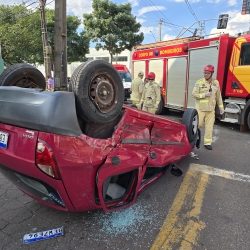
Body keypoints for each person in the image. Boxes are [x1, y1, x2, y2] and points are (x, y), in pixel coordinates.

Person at [192, 65, 224, 150]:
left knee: (209, 127)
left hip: (211, 110)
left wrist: (221, 107)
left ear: (212, 73)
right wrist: (204, 95)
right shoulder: (199, 82)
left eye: (208, 73)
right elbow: (194, 94)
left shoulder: (216, 83)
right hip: (201, 109)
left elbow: (218, 96)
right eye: (205, 73)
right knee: (197, 125)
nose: (205, 74)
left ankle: (207, 143)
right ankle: (192, 140)